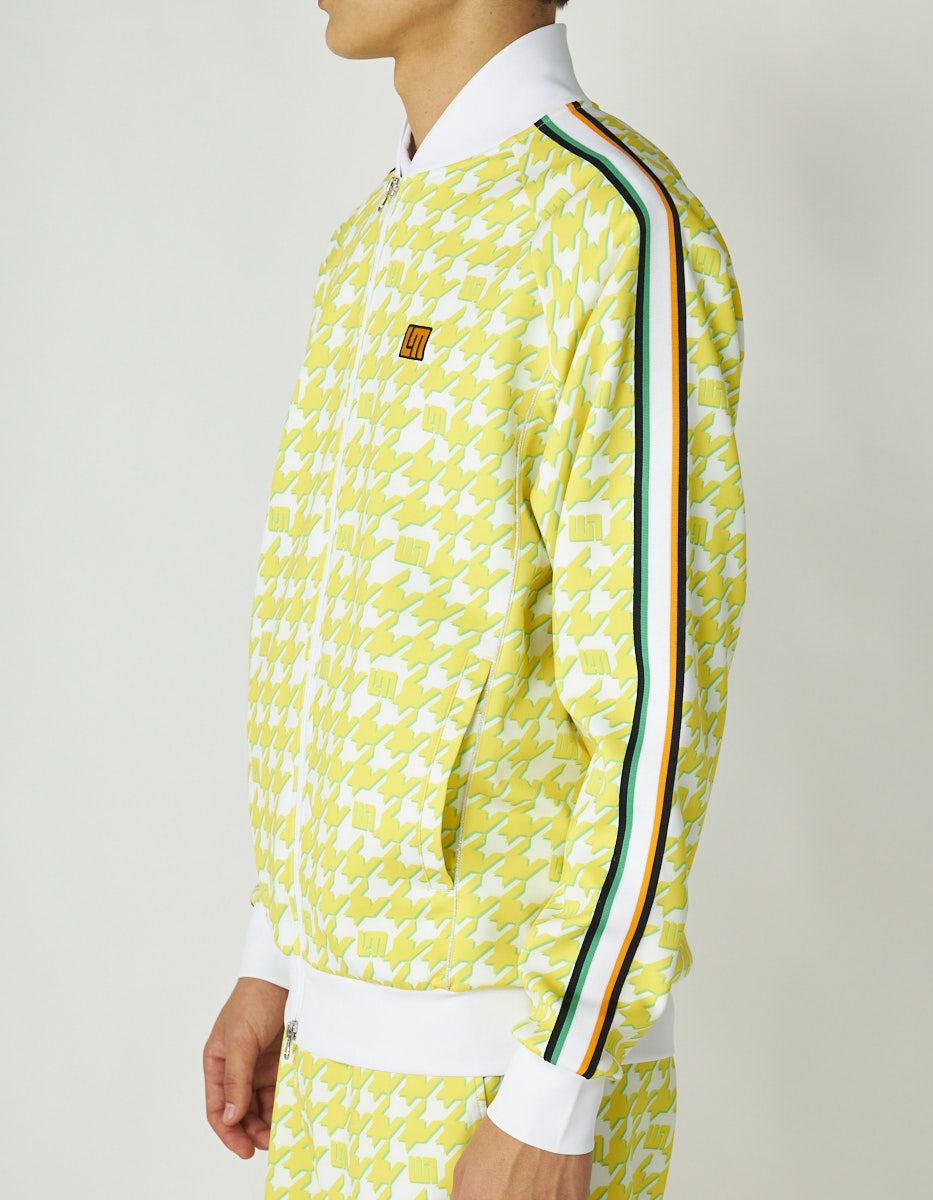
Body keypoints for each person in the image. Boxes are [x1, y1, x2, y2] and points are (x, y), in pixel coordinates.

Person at [203, 1, 747, 1196]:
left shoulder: (610, 224)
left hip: (496, 1070)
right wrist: (276, 958)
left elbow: (659, 699)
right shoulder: (376, 234)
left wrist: (554, 1091)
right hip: (333, 1052)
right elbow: (348, 628)